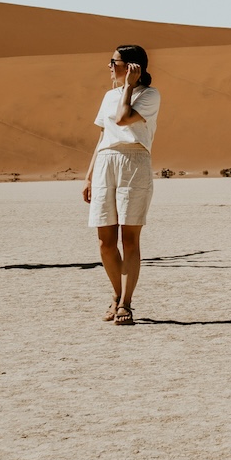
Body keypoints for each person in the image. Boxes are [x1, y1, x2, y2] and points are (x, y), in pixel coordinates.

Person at [83, 44, 161, 326]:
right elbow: (104, 135)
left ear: (131, 66)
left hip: (134, 161)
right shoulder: (108, 96)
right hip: (106, 161)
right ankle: (116, 296)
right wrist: (89, 175)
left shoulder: (149, 95)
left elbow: (123, 119)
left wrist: (128, 87)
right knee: (105, 241)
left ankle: (126, 303)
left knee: (129, 239)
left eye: (113, 62)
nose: (109, 67)